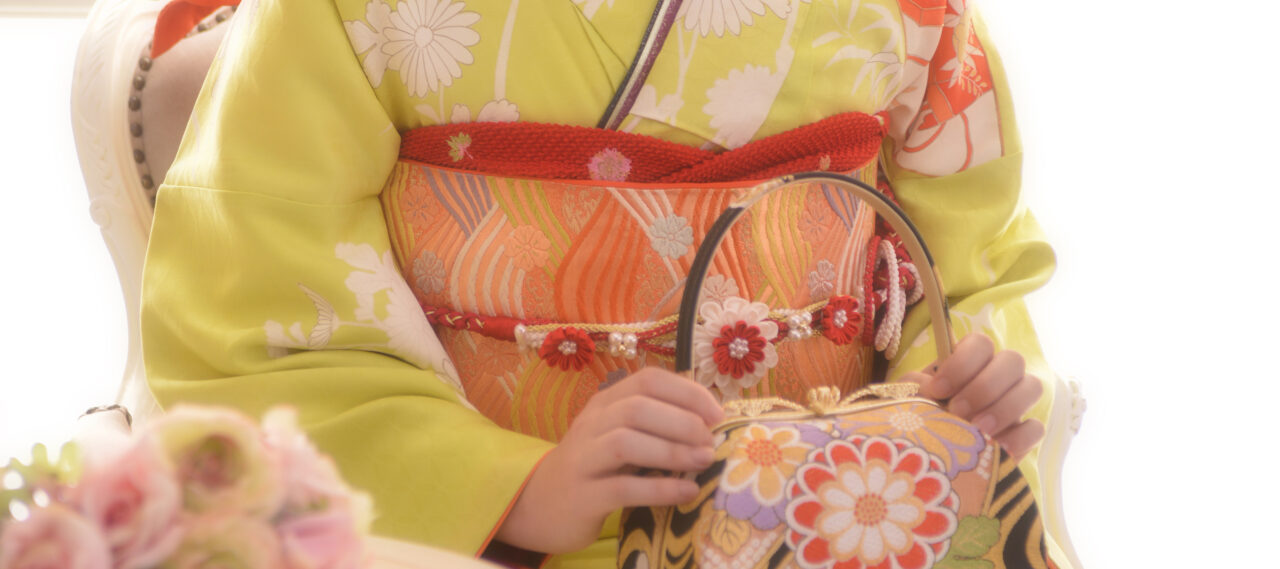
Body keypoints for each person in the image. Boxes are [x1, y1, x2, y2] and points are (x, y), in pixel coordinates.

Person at [141, 0, 1060, 566]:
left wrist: (958, 386)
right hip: (523, 540)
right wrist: (513, 489)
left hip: (855, 512)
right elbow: (257, 294)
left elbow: (972, 252)